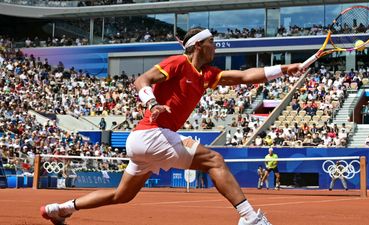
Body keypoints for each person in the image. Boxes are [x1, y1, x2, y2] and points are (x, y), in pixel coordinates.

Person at [40, 28, 302, 225]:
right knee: (215, 160)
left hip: (145, 141)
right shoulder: (178, 62)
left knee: (122, 195)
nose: (215, 47)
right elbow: (142, 80)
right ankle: (249, 218)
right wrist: (152, 102)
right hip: (151, 135)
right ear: (198, 45)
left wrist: (286, 68)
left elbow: (245, 76)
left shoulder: (207, 75)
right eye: (212, 43)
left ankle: (60, 209)